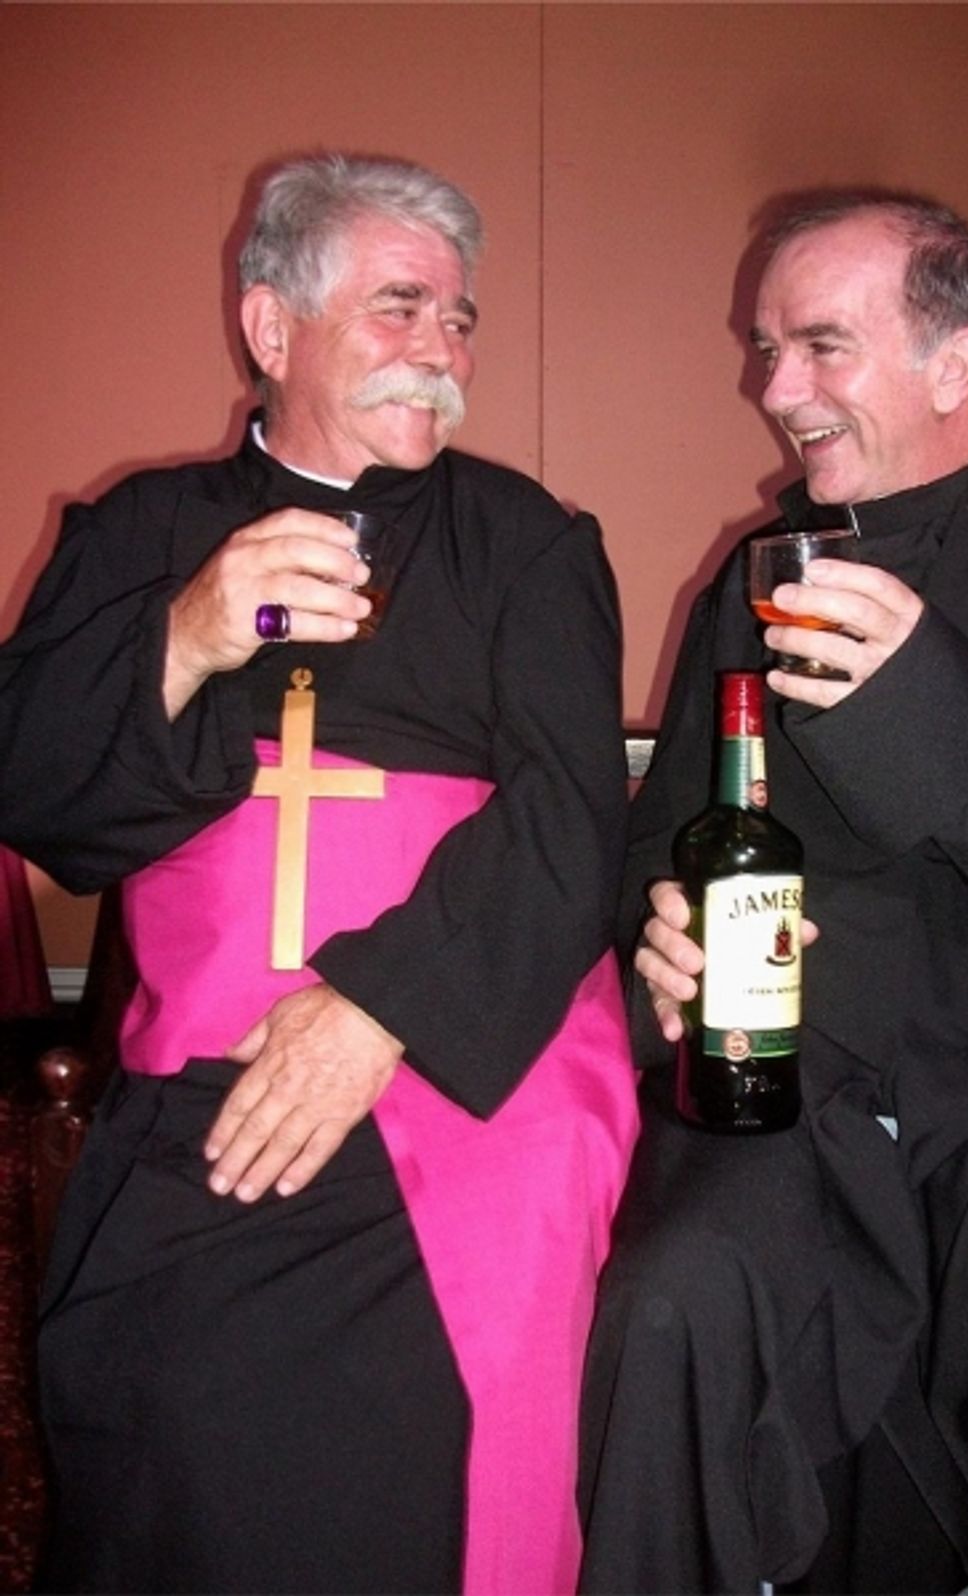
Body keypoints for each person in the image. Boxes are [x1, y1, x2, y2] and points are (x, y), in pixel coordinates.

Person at [0, 153, 639, 1595]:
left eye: (461, 319)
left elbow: (571, 819)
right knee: (166, 1413)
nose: (444, 353)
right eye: (402, 307)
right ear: (270, 329)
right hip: (205, 1075)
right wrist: (184, 631)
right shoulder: (143, 532)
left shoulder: (527, 543)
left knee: (422, 1447)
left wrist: (374, 1012)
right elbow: (32, 791)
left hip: (470, 1051)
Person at [577, 189, 968, 1595]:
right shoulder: (750, 580)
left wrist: (938, 711)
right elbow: (659, 851)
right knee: (672, 1311)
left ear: (955, 362)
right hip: (780, 1074)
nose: (773, 388)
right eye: (765, 348)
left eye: (817, 346)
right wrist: (657, 942)